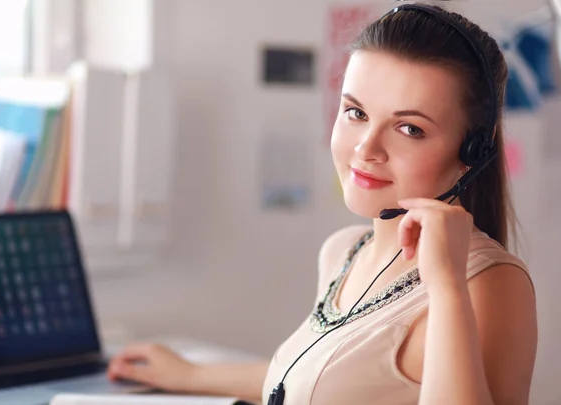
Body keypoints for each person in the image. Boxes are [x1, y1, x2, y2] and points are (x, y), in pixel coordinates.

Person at [107, 4, 538, 405]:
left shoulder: (489, 283)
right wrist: (191, 375)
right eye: (355, 113)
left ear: (473, 152)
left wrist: (446, 286)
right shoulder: (344, 251)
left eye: (409, 128)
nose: (367, 148)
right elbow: (318, 382)